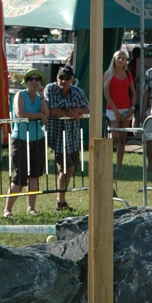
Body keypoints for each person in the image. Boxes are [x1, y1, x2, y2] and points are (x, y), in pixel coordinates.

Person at [3, 68, 49, 218]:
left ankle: (31, 208)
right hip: (20, 140)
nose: (34, 81)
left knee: (34, 176)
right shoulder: (19, 95)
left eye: (37, 79)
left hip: (38, 139)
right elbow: (20, 113)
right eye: (31, 79)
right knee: (20, 177)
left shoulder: (40, 97)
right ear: (26, 81)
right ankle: (7, 210)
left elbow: (46, 114)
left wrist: (42, 96)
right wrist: (39, 115)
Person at [44, 65, 89, 213]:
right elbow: (50, 110)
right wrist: (70, 112)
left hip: (72, 137)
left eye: (67, 78)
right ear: (56, 78)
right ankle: (60, 202)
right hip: (56, 137)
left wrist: (78, 110)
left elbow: (86, 108)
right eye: (61, 77)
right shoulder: (50, 89)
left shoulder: (79, 92)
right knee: (67, 168)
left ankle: (61, 202)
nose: (63, 81)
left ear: (72, 80)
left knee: (70, 169)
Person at [103, 50, 136, 172]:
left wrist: (132, 108)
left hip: (127, 110)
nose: (120, 60)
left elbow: (133, 92)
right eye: (118, 57)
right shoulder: (107, 74)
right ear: (114, 59)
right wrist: (116, 111)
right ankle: (107, 166)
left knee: (122, 138)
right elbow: (106, 94)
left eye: (123, 58)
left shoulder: (128, 74)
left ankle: (119, 167)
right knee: (112, 138)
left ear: (126, 61)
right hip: (112, 111)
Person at [141, 65, 152, 171]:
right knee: (148, 138)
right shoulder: (150, 72)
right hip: (150, 111)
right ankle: (151, 164)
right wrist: (143, 111)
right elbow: (145, 92)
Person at [128, 47, 141, 127]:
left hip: (132, 88)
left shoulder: (131, 63)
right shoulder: (135, 62)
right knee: (134, 111)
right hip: (134, 87)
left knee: (134, 110)